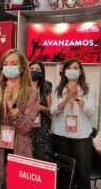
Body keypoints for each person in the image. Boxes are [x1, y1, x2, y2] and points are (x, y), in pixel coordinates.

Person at [0, 49, 39, 184]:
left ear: (21, 68)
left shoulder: (31, 93)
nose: (9, 67)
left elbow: (26, 128)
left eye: (13, 63)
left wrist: (12, 106)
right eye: (6, 63)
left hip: (19, 149)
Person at [51, 58, 95, 189]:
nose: (72, 71)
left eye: (75, 68)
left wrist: (76, 96)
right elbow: (53, 111)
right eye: (69, 68)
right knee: (64, 173)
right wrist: (66, 98)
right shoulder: (58, 89)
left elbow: (90, 111)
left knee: (82, 173)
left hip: (81, 138)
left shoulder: (89, 89)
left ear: (81, 71)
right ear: (64, 72)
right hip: (61, 136)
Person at [28, 60, 52, 161]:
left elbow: (51, 111)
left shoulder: (45, 87)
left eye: (38, 69)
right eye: (32, 69)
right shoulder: (22, 88)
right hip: (26, 129)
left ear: (41, 73)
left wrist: (39, 107)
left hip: (43, 130)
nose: (34, 71)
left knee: (42, 160)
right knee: (27, 159)